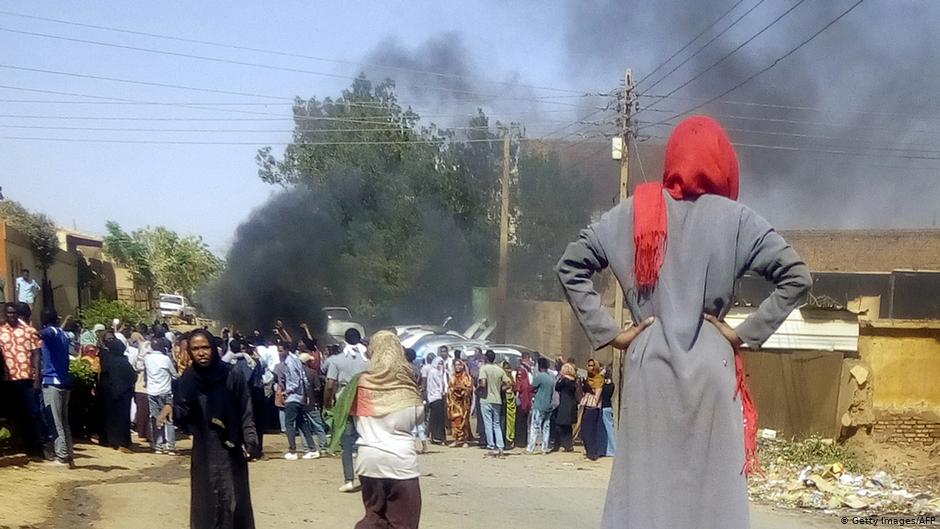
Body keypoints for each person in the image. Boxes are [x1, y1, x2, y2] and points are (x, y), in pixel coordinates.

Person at [555, 116, 811, 529]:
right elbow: (797, 276)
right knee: (713, 498)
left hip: (648, 366)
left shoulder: (634, 212)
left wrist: (611, 333)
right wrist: (744, 334)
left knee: (645, 491)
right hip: (713, 369)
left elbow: (571, 265)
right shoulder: (737, 219)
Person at [330, 331, 423, 529]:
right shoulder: (408, 385)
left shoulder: (360, 383)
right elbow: (417, 418)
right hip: (401, 463)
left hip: (368, 460)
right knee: (404, 523)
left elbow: (342, 411)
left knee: (374, 519)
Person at [174, 329, 260, 529]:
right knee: (206, 503)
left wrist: (250, 439)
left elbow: (245, 409)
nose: (201, 352)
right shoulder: (187, 379)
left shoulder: (232, 374)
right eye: (195, 349)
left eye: (205, 347)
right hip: (203, 451)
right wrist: (174, 408)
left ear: (213, 348)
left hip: (230, 450)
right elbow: (184, 417)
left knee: (233, 501)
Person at [325, 327, 370, 493]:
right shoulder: (368, 359)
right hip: (365, 402)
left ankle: (349, 480)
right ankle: (367, 479)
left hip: (344, 403)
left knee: (346, 444)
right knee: (366, 442)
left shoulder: (337, 360)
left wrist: (327, 403)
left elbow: (330, 385)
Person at [0, 302, 46, 459]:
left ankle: (37, 449)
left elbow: (36, 354)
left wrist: (37, 378)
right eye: (8, 313)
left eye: (13, 313)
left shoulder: (29, 331)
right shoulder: (0, 332)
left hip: (26, 378)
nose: (11, 316)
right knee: (14, 415)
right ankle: (19, 446)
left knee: (32, 414)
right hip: (8, 380)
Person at [39, 308, 74, 467]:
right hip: (65, 381)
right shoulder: (63, 334)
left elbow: (44, 334)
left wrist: (33, 332)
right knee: (64, 421)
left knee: (55, 420)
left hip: (53, 381)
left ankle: (62, 456)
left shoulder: (50, 332)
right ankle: (69, 454)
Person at [275, 343, 319, 460]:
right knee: (302, 424)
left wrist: (286, 392)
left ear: (286, 350)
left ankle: (292, 451)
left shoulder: (290, 363)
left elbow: (294, 382)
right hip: (299, 397)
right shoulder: (296, 361)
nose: (279, 353)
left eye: (281, 351)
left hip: (293, 397)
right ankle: (312, 449)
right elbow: (304, 380)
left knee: (289, 424)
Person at [98, 333, 136, 452]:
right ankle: (122, 443)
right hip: (123, 395)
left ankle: (111, 441)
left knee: (110, 418)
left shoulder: (107, 360)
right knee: (122, 419)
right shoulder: (123, 361)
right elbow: (133, 376)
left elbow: (103, 376)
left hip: (109, 394)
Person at [145, 337, 178, 454]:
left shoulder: (147, 358)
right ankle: (170, 446)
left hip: (152, 392)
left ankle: (158, 446)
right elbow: (174, 375)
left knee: (155, 418)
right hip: (166, 392)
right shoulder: (165, 359)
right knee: (169, 419)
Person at [477, 349, 510, 457]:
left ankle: (491, 445)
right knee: (496, 424)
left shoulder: (484, 368)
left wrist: (477, 391)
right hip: (497, 399)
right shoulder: (499, 370)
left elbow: (483, 383)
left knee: (488, 423)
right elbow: (509, 383)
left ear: (486, 358)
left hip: (486, 399)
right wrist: (501, 389)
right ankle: (500, 446)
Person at [580, 358, 606, 461]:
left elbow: (597, 395)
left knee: (590, 431)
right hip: (586, 405)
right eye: (589, 365)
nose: (590, 367)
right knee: (584, 431)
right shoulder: (587, 378)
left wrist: (592, 393)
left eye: (592, 365)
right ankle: (589, 451)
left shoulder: (598, 378)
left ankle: (592, 453)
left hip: (593, 407)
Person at [527, 357, 554, 454]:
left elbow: (532, 387)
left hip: (539, 404)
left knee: (535, 426)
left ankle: (531, 448)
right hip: (548, 405)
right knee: (546, 427)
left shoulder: (540, 377)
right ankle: (544, 448)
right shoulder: (551, 378)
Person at [404, 348, 428, 453]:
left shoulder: (405, 368)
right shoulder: (417, 368)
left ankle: (412, 447)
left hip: (408, 396)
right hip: (418, 396)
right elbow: (421, 383)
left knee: (411, 424)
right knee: (420, 423)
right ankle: (424, 446)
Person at [446, 358, 473, 448]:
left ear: (463, 366)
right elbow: (450, 388)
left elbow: (469, 388)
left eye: (459, 365)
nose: (458, 367)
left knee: (464, 420)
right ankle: (456, 440)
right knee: (455, 421)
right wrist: (453, 391)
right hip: (454, 403)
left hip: (463, 403)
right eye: (456, 365)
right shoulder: (452, 377)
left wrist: (463, 390)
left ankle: (465, 440)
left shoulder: (467, 377)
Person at [422, 351, 447, 445]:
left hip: (434, 398)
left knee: (436, 419)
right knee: (437, 419)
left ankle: (436, 437)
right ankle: (437, 437)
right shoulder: (435, 372)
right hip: (436, 397)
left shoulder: (435, 371)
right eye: (439, 363)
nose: (441, 365)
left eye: (442, 363)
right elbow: (440, 385)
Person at [551, 363, 577, 453]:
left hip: (565, 405)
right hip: (572, 404)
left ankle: (564, 444)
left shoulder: (565, 380)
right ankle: (569, 445)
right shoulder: (574, 380)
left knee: (560, 425)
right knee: (568, 427)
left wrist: (560, 378)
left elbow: (557, 387)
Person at [514, 362, 533, 449]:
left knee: (521, 424)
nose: (519, 376)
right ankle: (520, 441)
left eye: (521, 374)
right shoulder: (521, 382)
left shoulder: (523, 384)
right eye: (518, 374)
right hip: (522, 406)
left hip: (523, 406)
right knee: (520, 424)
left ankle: (521, 442)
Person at [600, 366, 616, 457]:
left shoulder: (604, 385)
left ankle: (612, 449)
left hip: (604, 407)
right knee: (609, 428)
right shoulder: (612, 385)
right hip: (609, 407)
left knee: (608, 429)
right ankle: (610, 449)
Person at [500, 359, 517, 448]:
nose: (508, 370)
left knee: (510, 421)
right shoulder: (502, 378)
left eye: (509, 368)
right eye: (506, 368)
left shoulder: (511, 378)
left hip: (511, 402)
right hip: (504, 401)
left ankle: (510, 439)